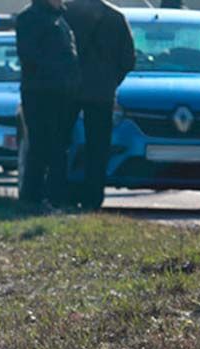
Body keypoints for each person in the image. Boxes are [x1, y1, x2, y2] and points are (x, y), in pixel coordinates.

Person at [65, 0, 136, 210]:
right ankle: (93, 197)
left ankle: (61, 191)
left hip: (69, 91)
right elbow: (128, 59)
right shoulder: (116, 17)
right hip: (102, 93)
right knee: (98, 148)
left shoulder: (67, 13)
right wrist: (112, 81)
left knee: (61, 144)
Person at [16, 0, 80, 206]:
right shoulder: (30, 18)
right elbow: (29, 55)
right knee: (40, 146)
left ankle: (55, 197)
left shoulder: (60, 19)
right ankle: (32, 198)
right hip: (40, 92)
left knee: (59, 147)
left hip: (62, 93)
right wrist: (60, 68)